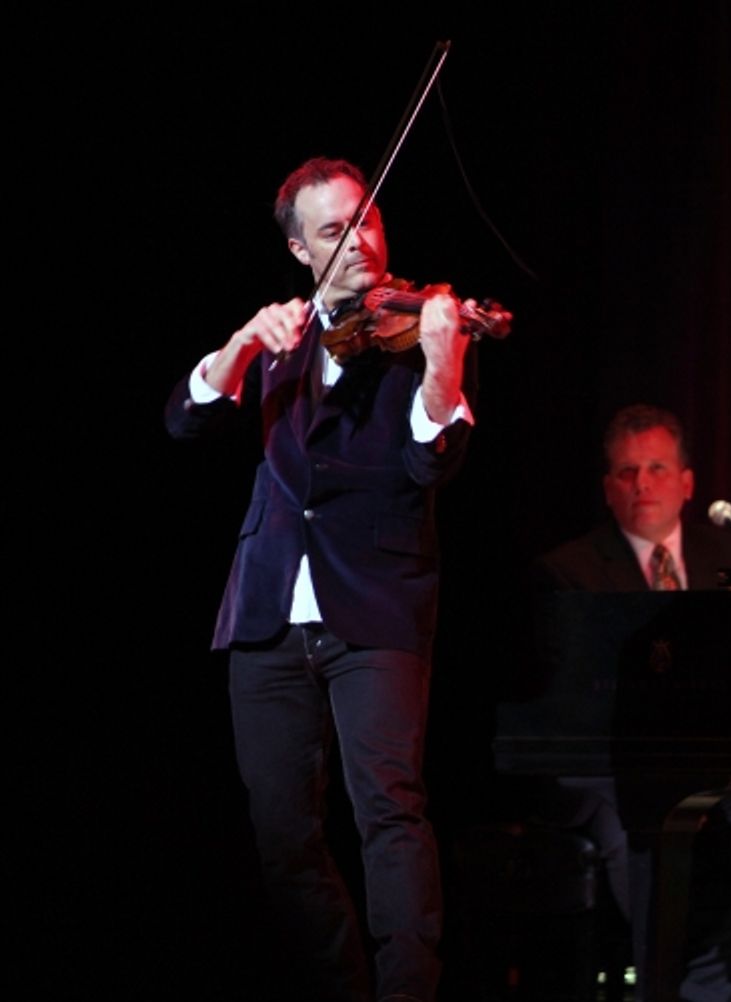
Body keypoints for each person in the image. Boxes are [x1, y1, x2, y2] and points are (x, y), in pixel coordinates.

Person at [165, 156, 497, 1002]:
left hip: (377, 605)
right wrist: (241, 344)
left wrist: (443, 365)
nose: (360, 244)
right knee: (281, 834)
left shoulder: (419, 325)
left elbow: (433, 464)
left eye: (367, 220)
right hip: (269, 609)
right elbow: (186, 419)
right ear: (299, 250)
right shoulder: (280, 338)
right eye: (333, 232)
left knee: (389, 811)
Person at [533, 403, 731, 1002]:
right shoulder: (568, 572)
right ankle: (659, 984)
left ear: (688, 483)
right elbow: (564, 700)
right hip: (607, 777)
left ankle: (696, 992)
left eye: (658, 468)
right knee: (641, 834)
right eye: (626, 472)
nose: (642, 483)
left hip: (710, 778)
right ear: (607, 488)